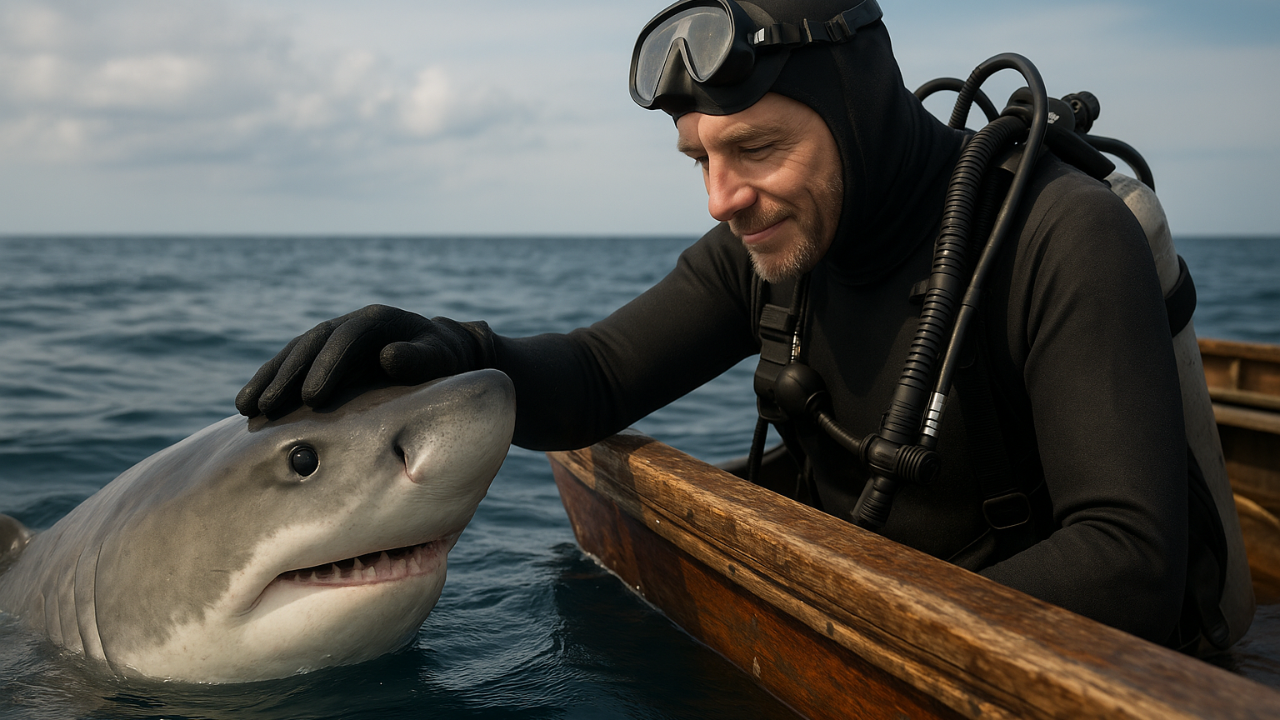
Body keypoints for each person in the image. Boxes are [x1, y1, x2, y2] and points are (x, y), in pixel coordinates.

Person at [237, 0, 1201, 649]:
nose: (720, 198)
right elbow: (598, 376)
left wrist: (841, 616)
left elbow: (1132, 559)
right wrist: (453, 352)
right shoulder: (774, 248)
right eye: (696, 156)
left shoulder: (1057, 234)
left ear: (859, 111)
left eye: (757, 148)